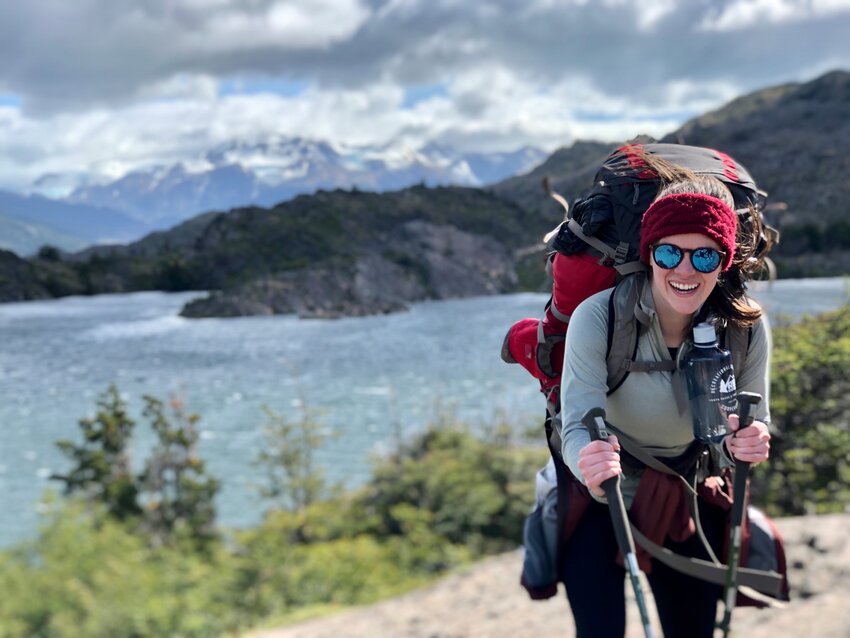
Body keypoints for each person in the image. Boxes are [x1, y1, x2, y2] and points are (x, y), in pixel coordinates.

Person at [558, 159, 772, 638]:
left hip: (689, 491)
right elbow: (576, 424)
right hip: (601, 494)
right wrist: (588, 464)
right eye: (669, 253)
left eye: (704, 257)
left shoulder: (744, 328)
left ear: (724, 260)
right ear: (649, 252)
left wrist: (751, 442)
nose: (684, 270)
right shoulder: (601, 318)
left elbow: (754, 423)